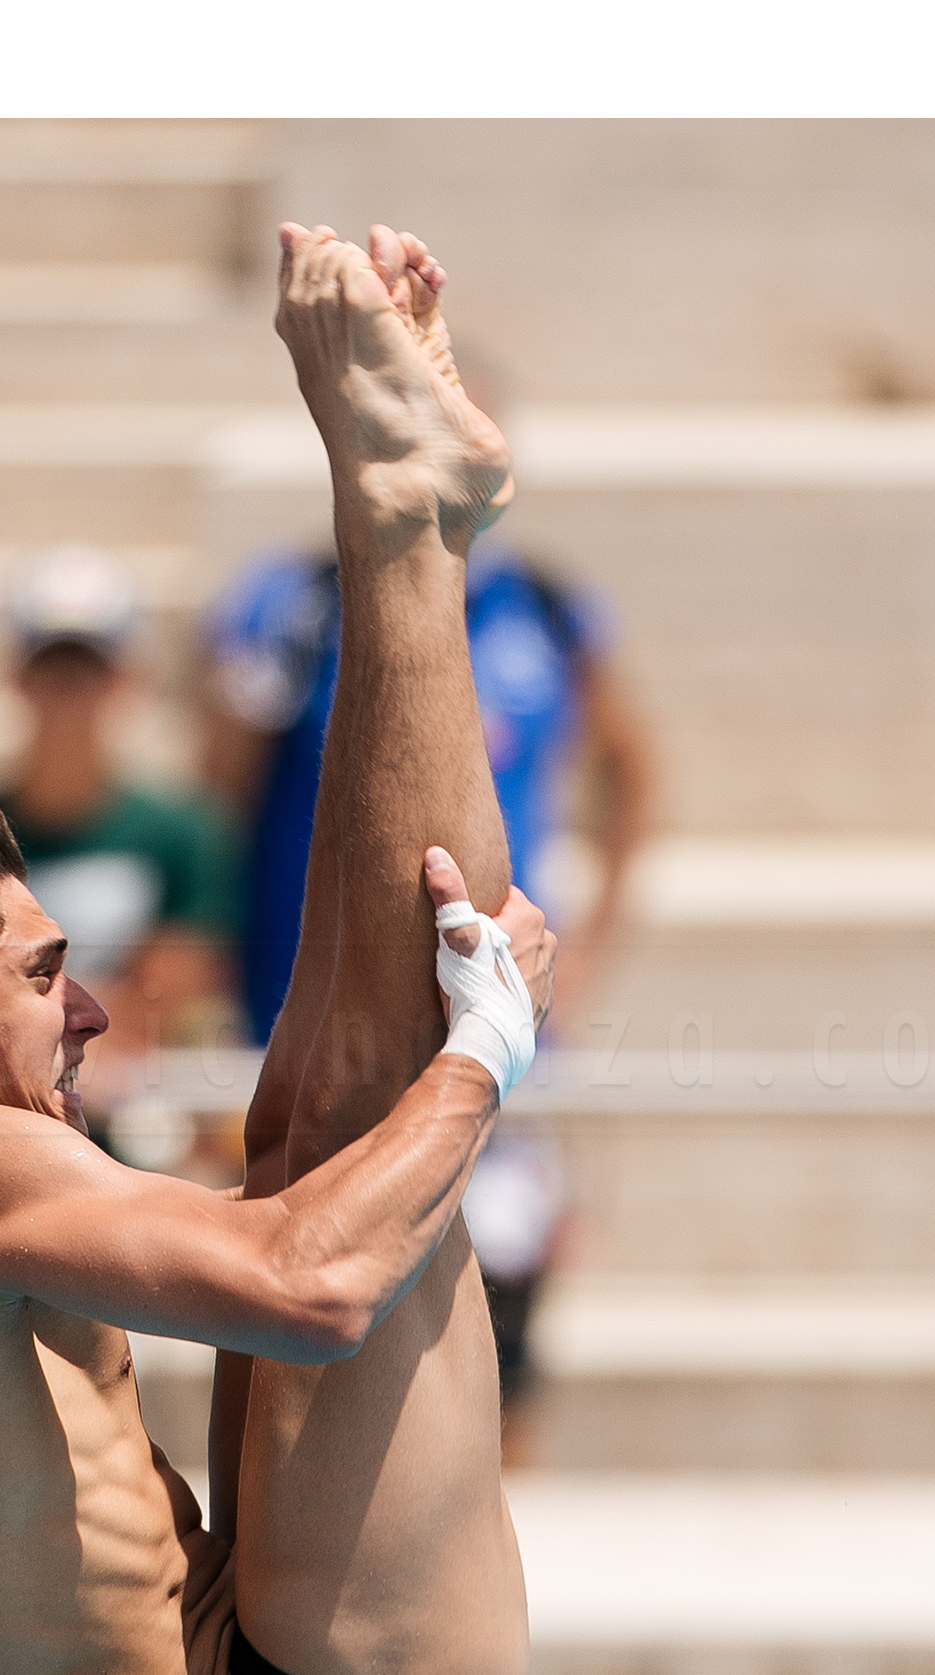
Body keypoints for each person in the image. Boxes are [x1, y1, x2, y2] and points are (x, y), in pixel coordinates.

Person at [0, 221, 551, 1675]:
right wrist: (489, 1053)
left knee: (300, 1124)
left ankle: (407, 517)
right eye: (45, 977)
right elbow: (316, 1292)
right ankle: (399, 517)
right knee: (354, 1136)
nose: (93, 1008)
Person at [200, 366, 654, 1461]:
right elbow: (218, 804)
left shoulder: (545, 611)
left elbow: (629, 768)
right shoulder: (287, 609)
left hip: (487, 1025)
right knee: (312, 1329)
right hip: (310, 1030)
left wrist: (588, 948)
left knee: (501, 1320)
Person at [0, 546, 242, 1172]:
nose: (70, 693)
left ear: (125, 682)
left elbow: (178, 991)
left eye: (88, 670)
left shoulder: (182, 831)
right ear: (19, 678)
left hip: (126, 1119)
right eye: (53, 669)